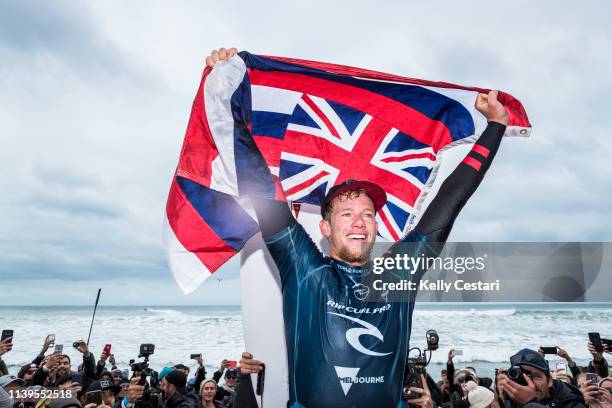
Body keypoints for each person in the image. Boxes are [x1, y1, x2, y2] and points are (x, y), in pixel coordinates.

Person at [207, 48, 509, 407]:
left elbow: (448, 204)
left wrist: (495, 128)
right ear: (325, 226)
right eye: (346, 214)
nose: (359, 222)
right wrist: (226, 92)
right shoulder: (304, 270)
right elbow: (258, 185)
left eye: (367, 214)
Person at [496, 348, 586, 408]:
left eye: (536, 376)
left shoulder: (571, 400)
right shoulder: (513, 397)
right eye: (522, 376)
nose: (529, 383)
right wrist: (499, 399)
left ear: (549, 381)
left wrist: (530, 403)